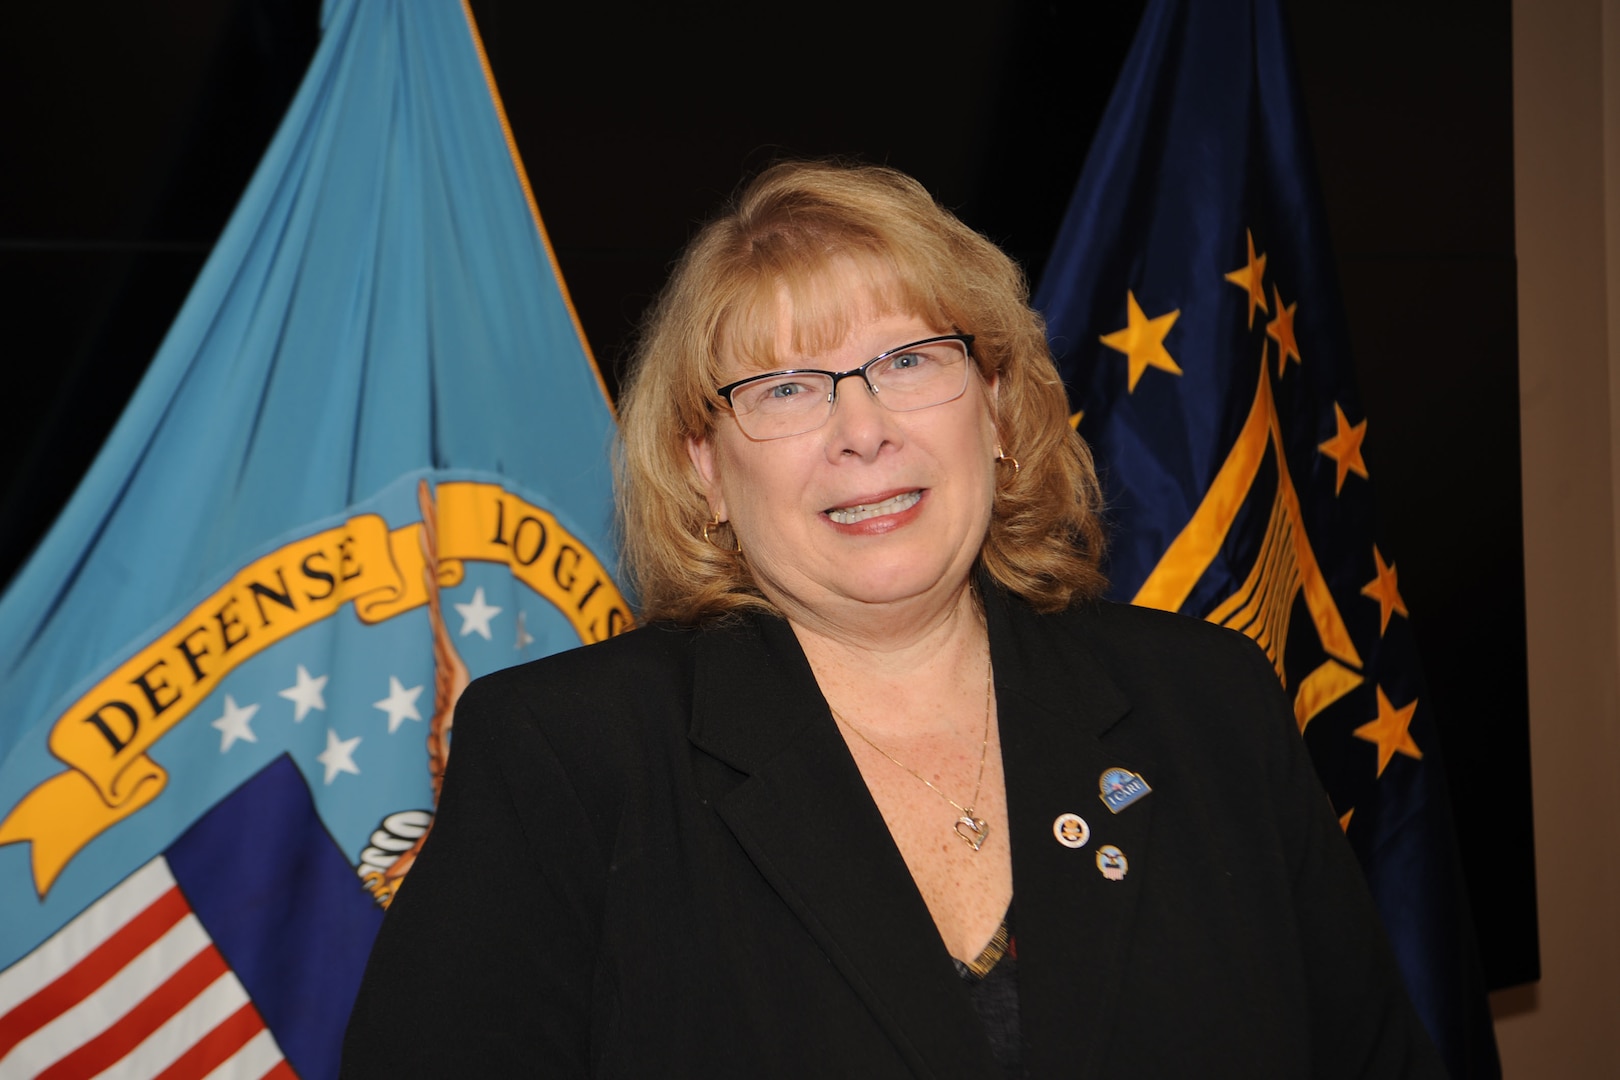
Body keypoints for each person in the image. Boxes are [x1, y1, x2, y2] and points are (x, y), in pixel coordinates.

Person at [341, 161, 1443, 1077]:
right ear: (705, 471)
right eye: (783, 388)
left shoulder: (1207, 702)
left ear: (1001, 412)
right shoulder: (568, 756)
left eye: (910, 362)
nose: (862, 431)